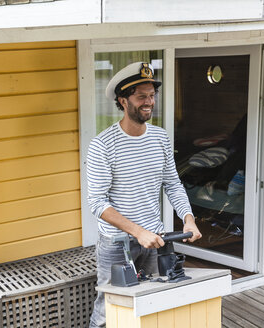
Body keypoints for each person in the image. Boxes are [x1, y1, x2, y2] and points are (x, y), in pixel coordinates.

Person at [87, 62, 202, 328]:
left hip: (155, 239)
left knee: (148, 305)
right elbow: (97, 202)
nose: (148, 102)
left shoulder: (160, 138)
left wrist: (188, 218)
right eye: (141, 96)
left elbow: (172, 183)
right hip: (117, 244)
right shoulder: (103, 145)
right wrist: (137, 231)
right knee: (109, 308)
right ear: (123, 100)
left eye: (151, 95)